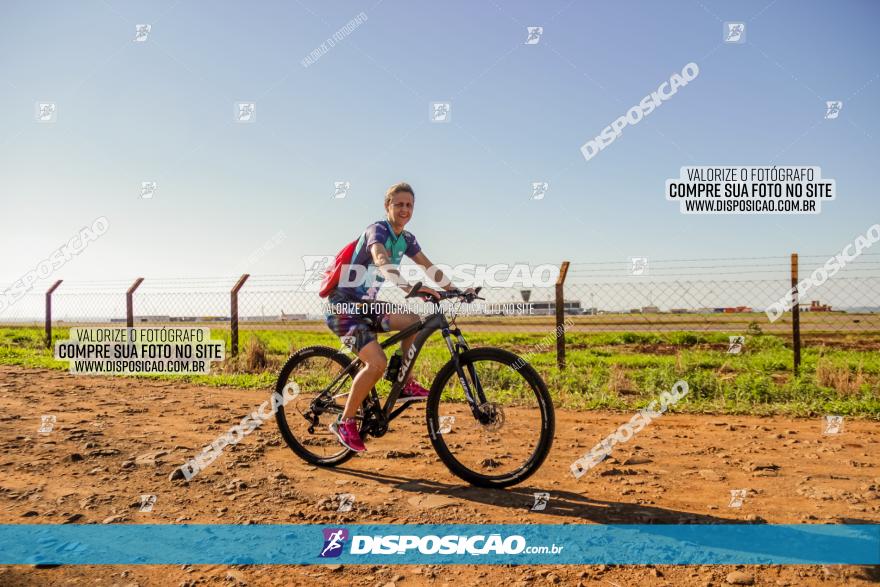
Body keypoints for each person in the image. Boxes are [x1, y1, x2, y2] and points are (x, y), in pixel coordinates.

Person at [324, 182, 469, 452]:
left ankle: (402, 382)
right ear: (387, 206)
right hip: (343, 307)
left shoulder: (408, 239)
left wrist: (455, 290)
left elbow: (427, 266)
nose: (405, 209)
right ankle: (344, 422)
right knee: (376, 363)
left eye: (409, 205)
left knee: (414, 320)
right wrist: (408, 288)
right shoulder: (376, 230)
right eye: (399, 204)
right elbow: (380, 258)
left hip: (368, 305)